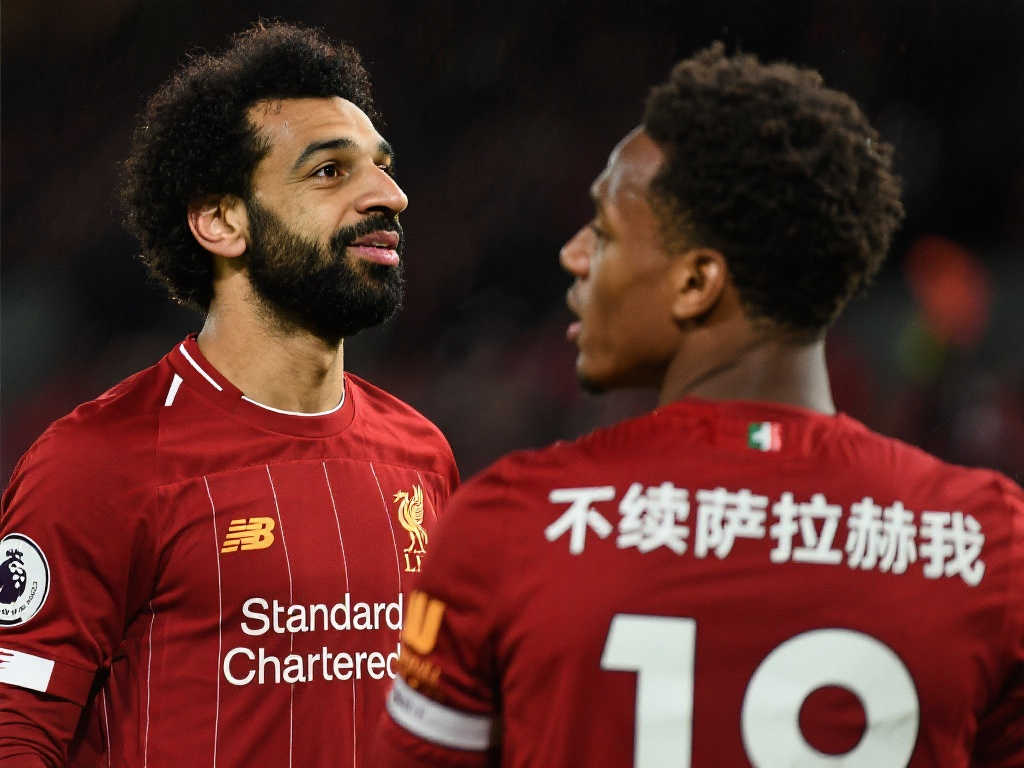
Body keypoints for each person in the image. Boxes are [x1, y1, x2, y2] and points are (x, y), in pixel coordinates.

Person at [374, 44, 1024, 767]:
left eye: (604, 231)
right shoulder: (988, 545)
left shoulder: (511, 523)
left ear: (695, 283)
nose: (573, 255)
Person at [0, 21, 458, 768]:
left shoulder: (422, 456)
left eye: (382, 167)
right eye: (329, 172)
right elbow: (15, 733)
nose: (391, 196)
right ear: (220, 221)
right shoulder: (96, 465)